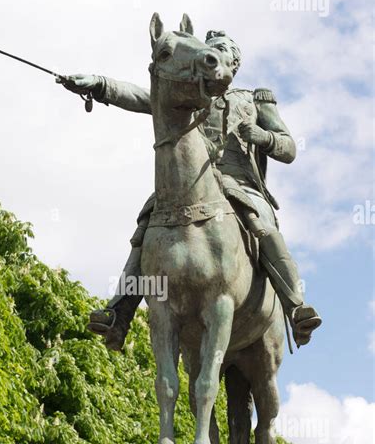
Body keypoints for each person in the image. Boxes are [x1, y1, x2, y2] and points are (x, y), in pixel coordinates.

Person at [59, 29, 321, 350]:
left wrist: (264, 138)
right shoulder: (190, 94)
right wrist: (100, 84)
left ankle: (295, 307)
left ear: (234, 62)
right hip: (191, 182)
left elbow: (289, 148)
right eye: (210, 48)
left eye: (222, 49)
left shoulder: (253, 100)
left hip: (239, 185)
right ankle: (120, 312)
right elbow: (142, 97)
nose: (214, 52)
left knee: (262, 223)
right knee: (146, 225)